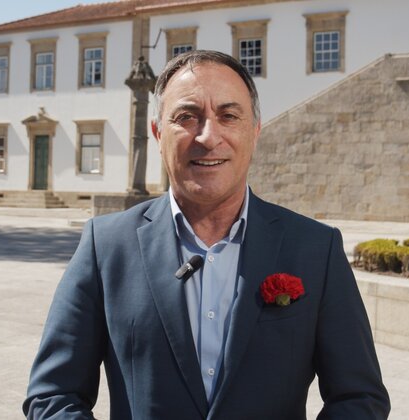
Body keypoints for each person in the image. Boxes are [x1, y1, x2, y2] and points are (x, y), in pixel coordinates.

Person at [24, 50, 390, 419]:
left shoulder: (315, 249)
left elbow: (359, 398)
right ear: (158, 133)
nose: (208, 136)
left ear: (255, 131)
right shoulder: (105, 246)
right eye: (186, 117)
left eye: (228, 116)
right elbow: (53, 395)